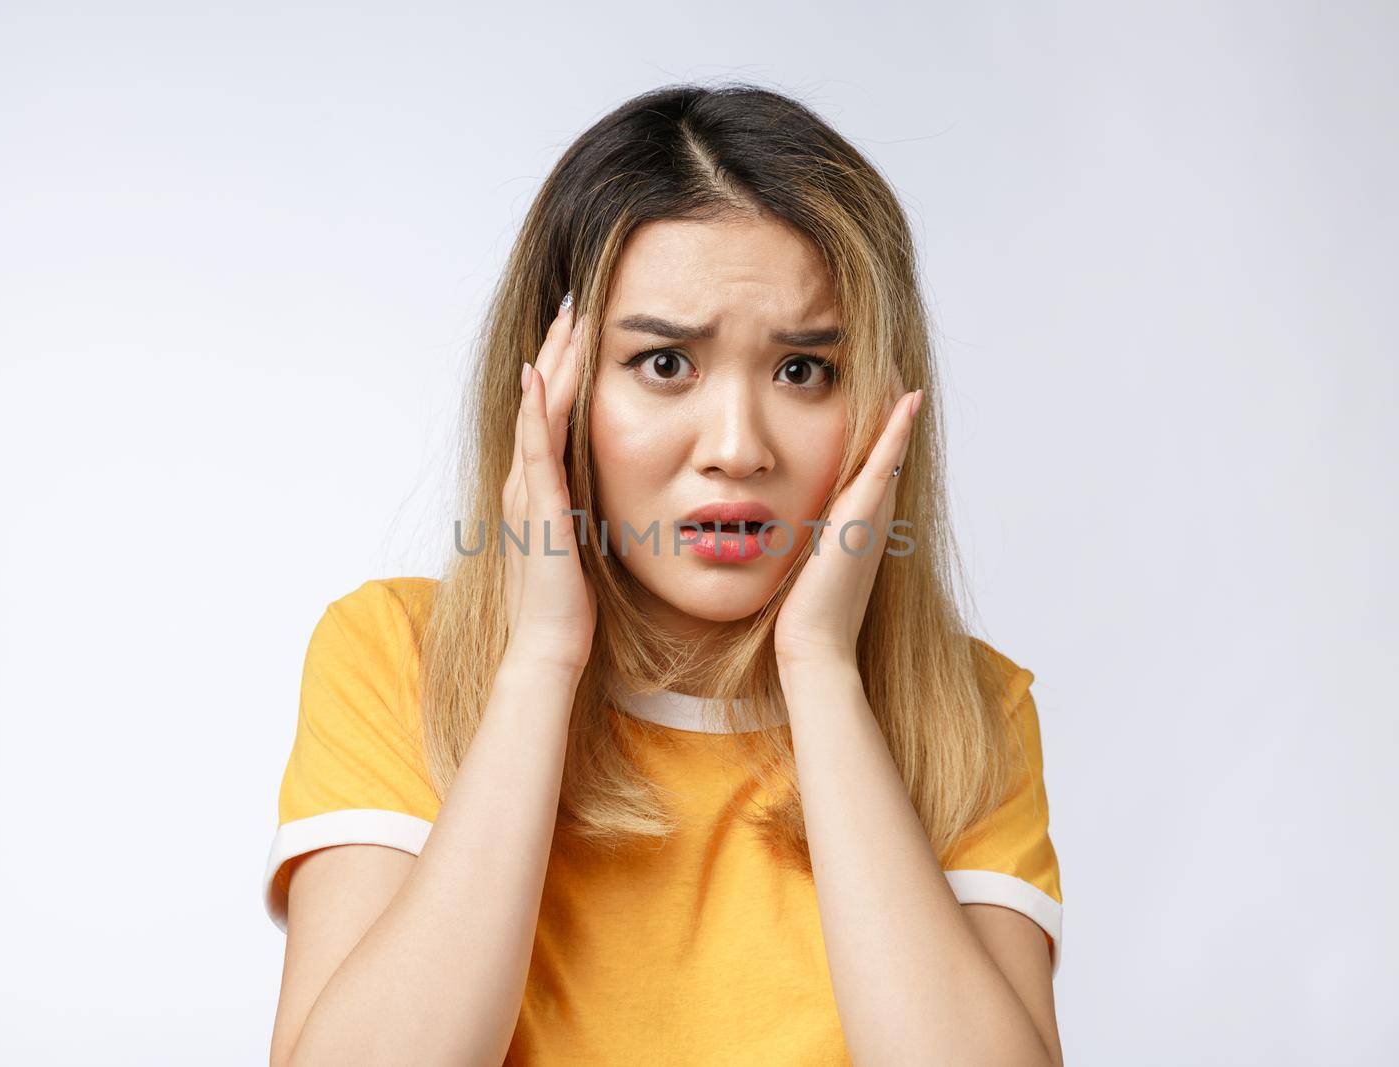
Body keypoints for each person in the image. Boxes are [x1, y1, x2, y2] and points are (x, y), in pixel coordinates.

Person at [262, 82, 1064, 1067]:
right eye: (665, 363)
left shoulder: (969, 708)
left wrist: (819, 667)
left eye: (804, 369)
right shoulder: (397, 655)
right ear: (552, 386)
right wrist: (541, 659)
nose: (736, 448)